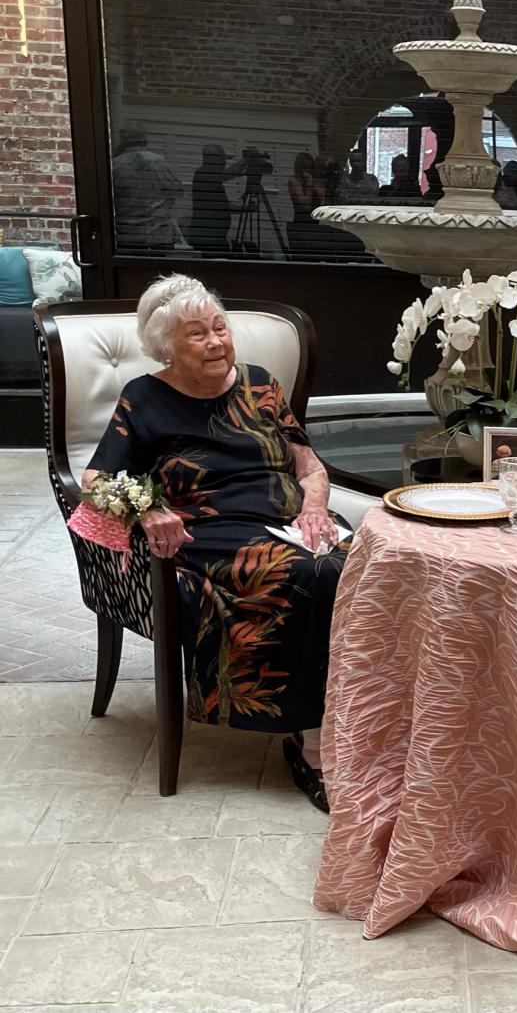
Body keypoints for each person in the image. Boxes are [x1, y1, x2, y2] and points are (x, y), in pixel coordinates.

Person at [82, 274, 348, 810]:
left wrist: (316, 507)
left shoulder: (261, 382)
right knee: (307, 574)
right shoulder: (145, 398)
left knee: (369, 565)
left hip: (292, 519)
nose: (216, 342)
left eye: (220, 328)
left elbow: (307, 463)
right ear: (166, 346)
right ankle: (312, 743)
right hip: (209, 529)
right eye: (197, 334)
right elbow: (94, 481)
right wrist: (149, 509)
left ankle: (365, 723)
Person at [112, 125, 183, 253]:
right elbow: (177, 190)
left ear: (123, 141)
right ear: (145, 140)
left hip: (128, 233)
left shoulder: (115, 165)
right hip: (157, 233)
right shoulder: (159, 161)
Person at [187, 144, 244, 257]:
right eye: (222, 159)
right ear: (212, 158)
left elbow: (223, 206)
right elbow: (228, 174)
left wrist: (244, 209)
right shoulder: (204, 174)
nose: (224, 163)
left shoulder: (211, 179)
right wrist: (245, 161)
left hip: (214, 239)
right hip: (207, 239)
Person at [287, 153, 323, 257]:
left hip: (315, 223)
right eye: (304, 167)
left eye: (309, 167)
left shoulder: (315, 181)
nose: (307, 170)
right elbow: (305, 205)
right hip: (302, 224)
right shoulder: (294, 181)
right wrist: (309, 185)